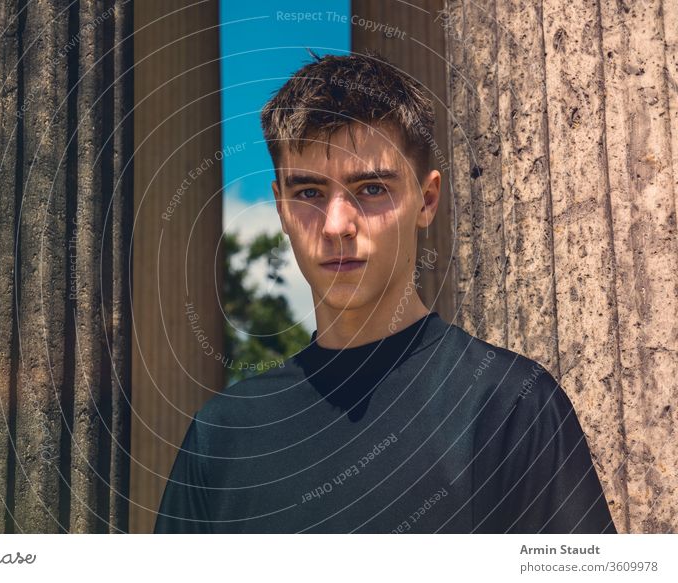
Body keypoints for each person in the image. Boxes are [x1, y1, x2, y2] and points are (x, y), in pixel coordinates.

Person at [153, 51, 616, 534]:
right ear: (282, 209)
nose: (336, 226)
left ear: (427, 200)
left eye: (371, 188)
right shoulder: (225, 436)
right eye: (309, 192)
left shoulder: (509, 407)